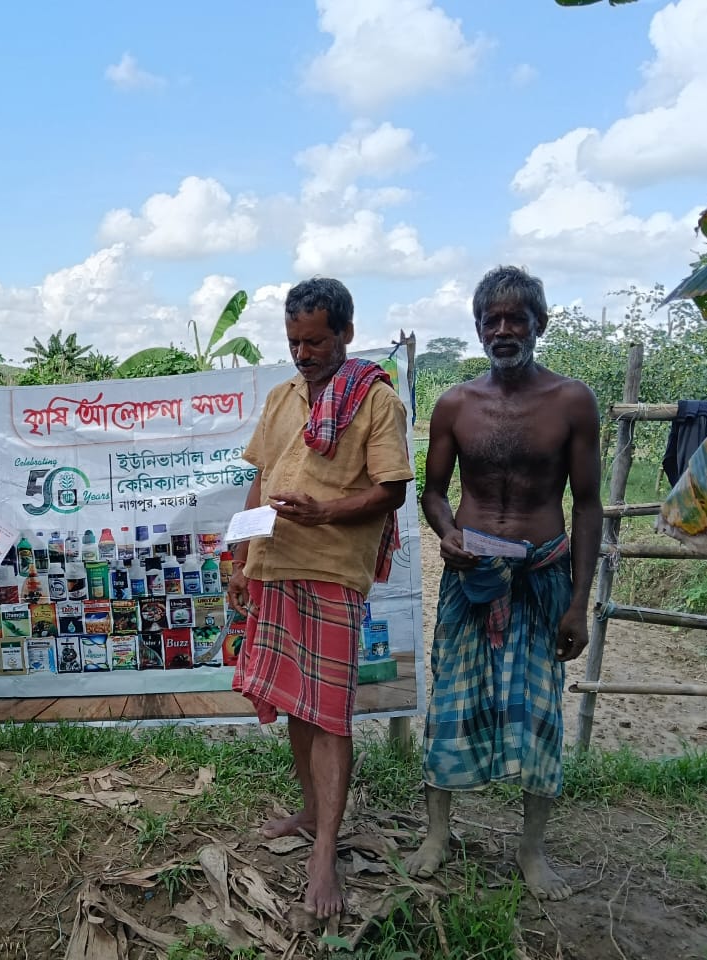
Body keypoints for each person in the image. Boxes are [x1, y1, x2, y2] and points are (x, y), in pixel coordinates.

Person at [404, 265, 602, 901]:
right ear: (478, 328)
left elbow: (588, 505)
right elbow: (434, 494)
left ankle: (531, 848)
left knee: (540, 712)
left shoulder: (572, 402)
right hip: (472, 579)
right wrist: (447, 533)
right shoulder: (456, 404)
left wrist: (578, 602)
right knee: (451, 702)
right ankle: (437, 835)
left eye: (517, 318)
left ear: (540, 323)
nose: (504, 329)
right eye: (491, 319)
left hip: (542, 575)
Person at [226, 277, 412, 920]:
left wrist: (324, 512)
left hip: (333, 572)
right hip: (275, 566)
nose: (303, 354)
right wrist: (242, 558)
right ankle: (309, 812)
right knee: (297, 705)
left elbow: (392, 491)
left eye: (315, 341)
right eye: (294, 342)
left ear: (346, 334)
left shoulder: (376, 400)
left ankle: (325, 850)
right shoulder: (282, 398)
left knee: (330, 715)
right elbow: (260, 481)